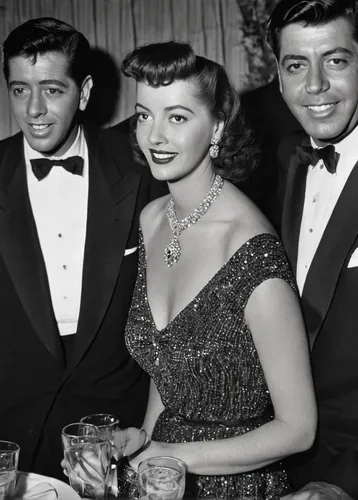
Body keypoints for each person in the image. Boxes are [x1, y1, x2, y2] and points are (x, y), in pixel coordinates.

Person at [118, 41, 317, 499]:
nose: (155, 136)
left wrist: (176, 454)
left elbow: (298, 429)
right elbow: (169, 364)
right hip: (161, 480)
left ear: (217, 127)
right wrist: (146, 438)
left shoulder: (250, 249)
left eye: (177, 117)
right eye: (145, 115)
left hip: (237, 485)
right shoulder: (152, 220)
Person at [0, 17, 165, 480]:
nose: (33, 109)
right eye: (19, 90)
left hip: (116, 424)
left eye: (52, 89)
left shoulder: (141, 166)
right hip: (12, 430)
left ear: (85, 92)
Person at [266, 1, 358, 498]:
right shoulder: (289, 157)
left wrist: (345, 485)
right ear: (278, 78)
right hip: (287, 457)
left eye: (336, 60)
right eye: (296, 65)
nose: (315, 85)